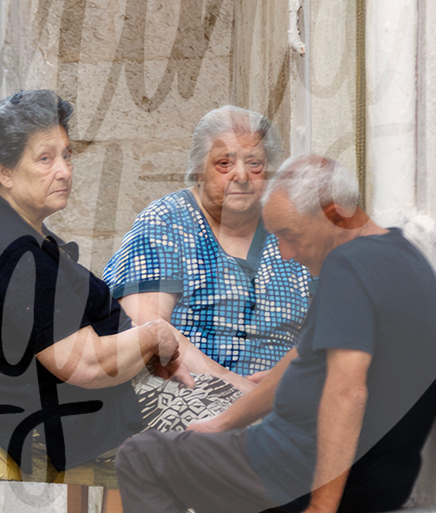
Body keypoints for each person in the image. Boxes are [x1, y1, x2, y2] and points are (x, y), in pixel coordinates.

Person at [103, 154, 436, 513]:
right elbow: (298, 363)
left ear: (336, 212)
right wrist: (222, 424)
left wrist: (320, 507)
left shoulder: (350, 268)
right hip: (378, 474)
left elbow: (346, 389)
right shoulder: (398, 255)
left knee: (143, 458)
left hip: (317, 468)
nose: (285, 250)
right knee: (211, 458)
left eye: (290, 235)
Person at [0, 89, 192, 475]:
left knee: (242, 417)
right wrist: (154, 336)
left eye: (66, 154)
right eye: (45, 159)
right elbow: (85, 365)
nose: (64, 170)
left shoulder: (10, 230)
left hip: (65, 408)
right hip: (54, 423)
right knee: (228, 441)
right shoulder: (12, 249)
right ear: (4, 172)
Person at [103, 107, 311, 387]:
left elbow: (333, 332)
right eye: (224, 163)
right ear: (199, 169)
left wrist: (299, 376)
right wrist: (236, 386)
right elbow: (145, 324)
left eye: (255, 164)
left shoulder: (293, 232)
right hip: (185, 393)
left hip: (282, 398)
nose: (241, 175)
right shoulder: (166, 221)